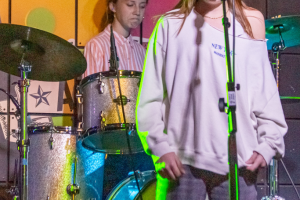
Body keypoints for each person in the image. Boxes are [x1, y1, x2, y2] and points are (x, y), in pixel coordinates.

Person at [136, 0, 288, 199]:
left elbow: (264, 95)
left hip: (239, 164)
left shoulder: (250, 24)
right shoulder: (170, 25)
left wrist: (269, 142)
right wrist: (160, 148)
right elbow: (149, 99)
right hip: (181, 163)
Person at [83, 0, 154, 199]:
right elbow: (93, 104)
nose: (137, 12)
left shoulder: (141, 51)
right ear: (113, 6)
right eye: (130, 4)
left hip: (139, 142)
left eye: (141, 6)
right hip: (109, 147)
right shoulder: (97, 46)